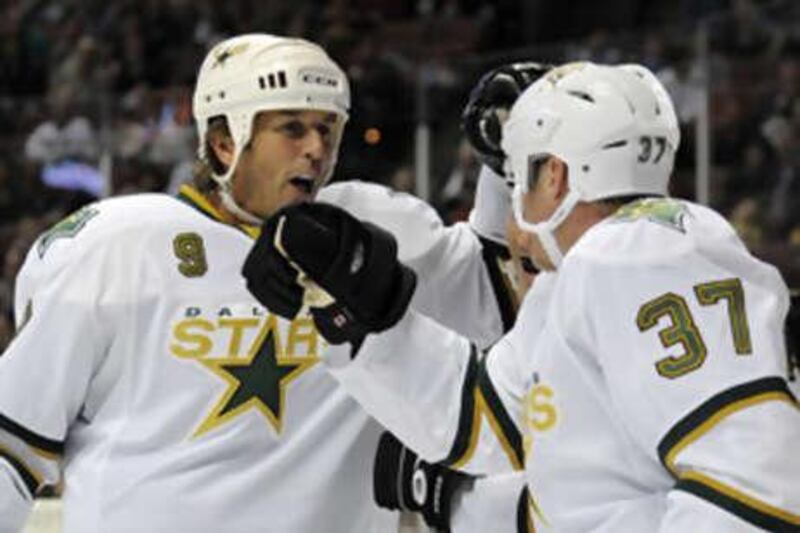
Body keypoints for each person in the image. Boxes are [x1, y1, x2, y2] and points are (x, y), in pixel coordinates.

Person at [0, 33, 539, 532]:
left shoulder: (374, 231)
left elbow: (496, 293)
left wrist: (505, 160)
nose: (316, 148)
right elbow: (13, 449)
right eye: (292, 128)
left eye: (327, 128)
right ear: (225, 141)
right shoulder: (114, 247)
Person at [248, 61, 800, 531]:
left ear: (555, 176)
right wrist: (361, 316)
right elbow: (490, 416)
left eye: (517, 178)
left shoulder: (642, 258)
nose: (512, 202)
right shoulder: (591, 273)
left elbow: (756, 488)